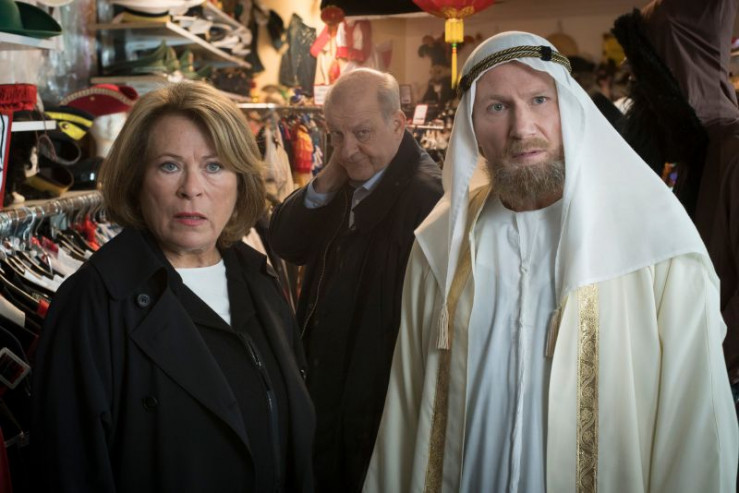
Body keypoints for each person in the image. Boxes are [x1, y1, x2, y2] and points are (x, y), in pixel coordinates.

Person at [364, 31, 738, 492]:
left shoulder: (655, 244)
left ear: (569, 108)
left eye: (539, 100)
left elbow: (698, 426)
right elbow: (404, 414)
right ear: (472, 128)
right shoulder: (440, 248)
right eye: (496, 107)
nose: (522, 128)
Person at [31, 81, 315, 492]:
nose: (192, 188)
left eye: (214, 166)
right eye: (169, 166)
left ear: (240, 181)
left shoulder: (260, 279)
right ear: (136, 179)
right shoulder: (92, 304)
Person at [268, 68, 443, 492]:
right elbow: (286, 243)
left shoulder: (429, 199)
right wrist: (327, 179)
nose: (347, 150)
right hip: (328, 395)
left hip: (373, 415)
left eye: (362, 133)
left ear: (398, 124)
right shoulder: (347, 179)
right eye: (336, 135)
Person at [612, 0, 739, 407]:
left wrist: (705, 366)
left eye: (647, 71)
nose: (637, 84)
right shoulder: (690, 150)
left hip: (713, 385)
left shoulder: (730, 152)